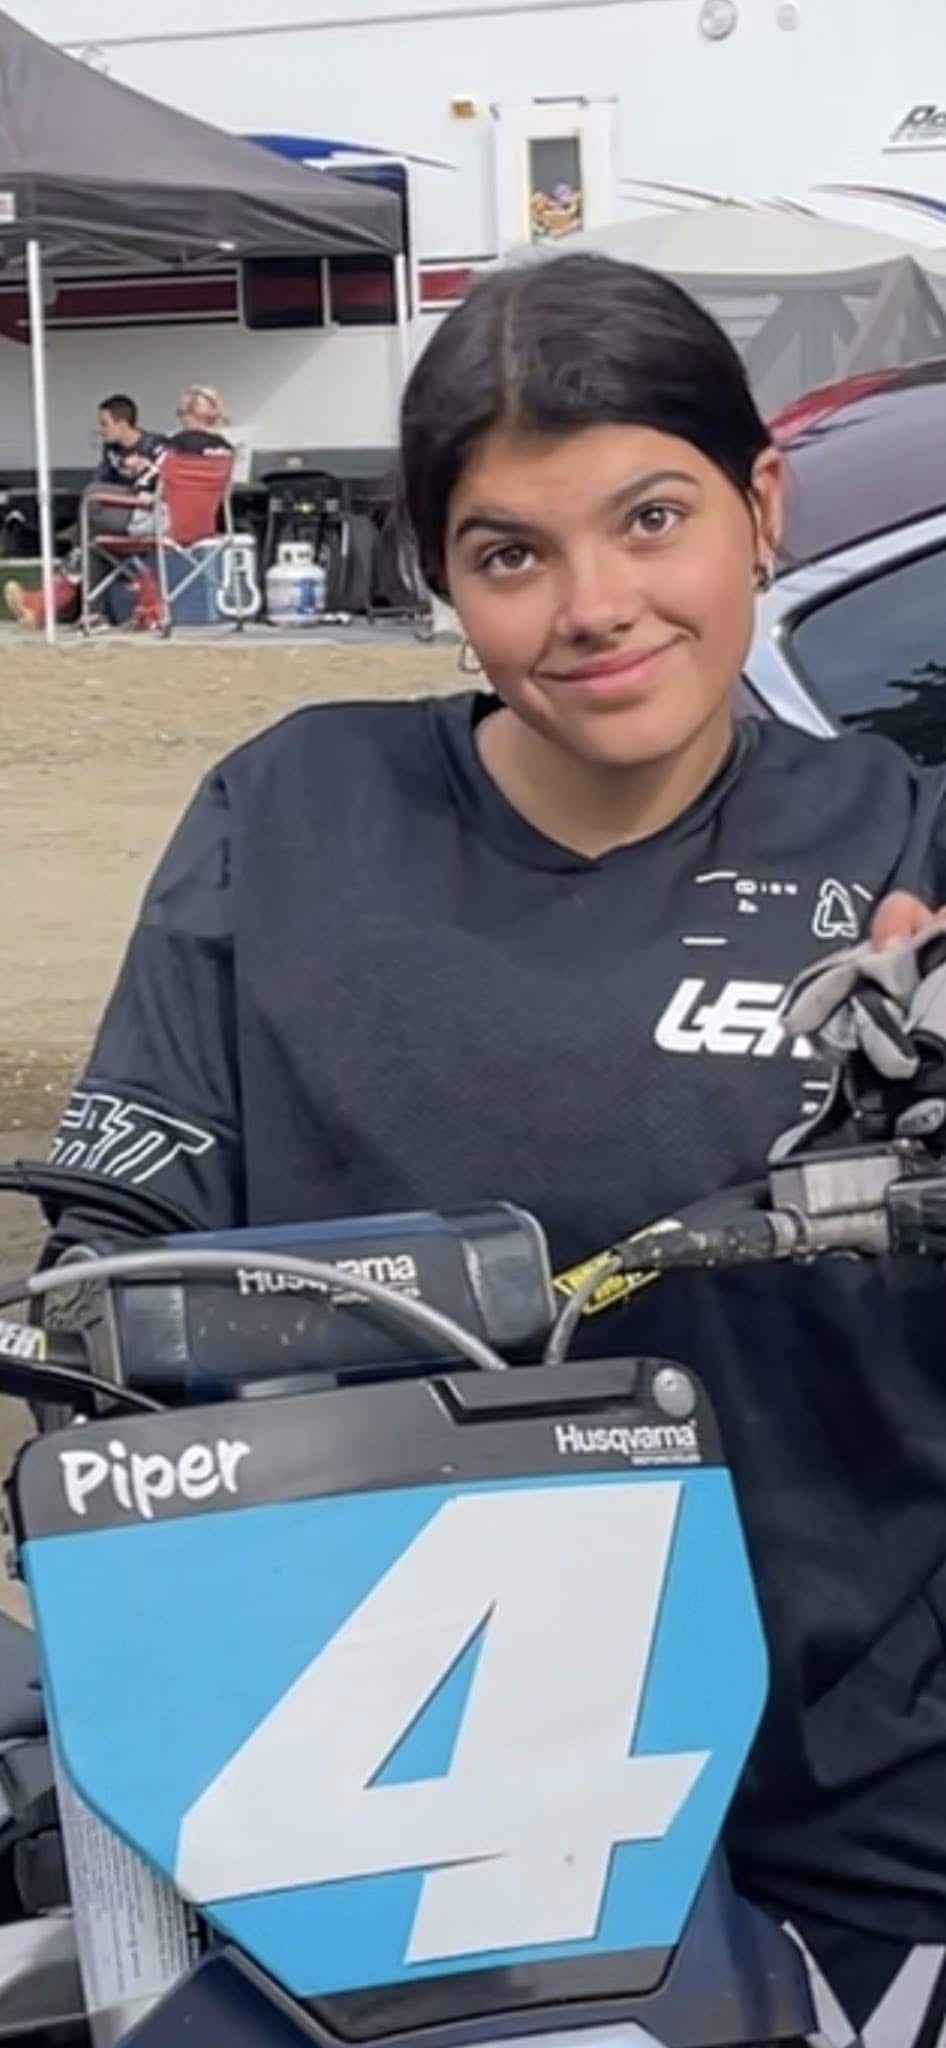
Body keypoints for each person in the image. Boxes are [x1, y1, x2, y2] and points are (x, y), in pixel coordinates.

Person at [41, 253, 946, 2042]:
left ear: (759, 510)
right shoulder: (292, 816)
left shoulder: (907, 843)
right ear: (442, 577)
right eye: (510, 551)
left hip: (851, 1812)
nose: (592, 605)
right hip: (366, 1800)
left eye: (652, 517)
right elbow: (103, 1267)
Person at [3, 393, 167, 631]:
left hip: (148, 516)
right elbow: (102, 480)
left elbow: (156, 487)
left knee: (90, 503)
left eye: (105, 424)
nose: (101, 430)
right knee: (91, 539)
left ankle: (43, 603)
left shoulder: (156, 446)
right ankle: (91, 614)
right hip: (118, 516)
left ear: (122, 423)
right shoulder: (112, 450)